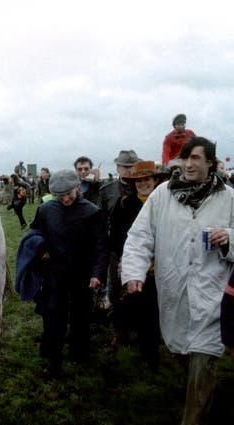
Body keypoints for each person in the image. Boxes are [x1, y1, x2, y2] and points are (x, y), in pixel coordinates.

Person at [122, 136, 234, 424]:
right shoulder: (163, 195)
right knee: (181, 349)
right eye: (185, 158)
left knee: (204, 354)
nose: (189, 163)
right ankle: (207, 394)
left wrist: (229, 239)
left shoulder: (229, 198)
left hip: (212, 292)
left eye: (196, 158)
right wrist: (134, 272)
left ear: (211, 162)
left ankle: (193, 417)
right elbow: (139, 236)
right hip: (173, 289)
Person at [29, 170, 107, 378]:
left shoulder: (92, 212)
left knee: (81, 315)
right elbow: (35, 232)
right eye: (59, 195)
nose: (65, 199)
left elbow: (101, 246)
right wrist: (41, 247)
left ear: (77, 187)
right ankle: (53, 359)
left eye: (69, 194)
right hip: (55, 273)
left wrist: (97, 274)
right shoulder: (45, 209)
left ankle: (80, 353)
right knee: (54, 315)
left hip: (82, 272)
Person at [109, 161, 168, 370]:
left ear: (155, 181)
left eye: (147, 180)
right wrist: (123, 260)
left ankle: (156, 351)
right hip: (136, 268)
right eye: (139, 181)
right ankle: (146, 353)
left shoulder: (166, 204)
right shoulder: (124, 204)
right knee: (142, 311)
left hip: (163, 267)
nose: (142, 184)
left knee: (157, 312)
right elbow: (115, 236)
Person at [97, 149, 140, 310]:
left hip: (143, 245)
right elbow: (100, 221)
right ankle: (119, 329)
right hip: (116, 245)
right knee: (116, 287)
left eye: (132, 166)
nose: (129, 170)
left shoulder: (145, 186)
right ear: (117, 168)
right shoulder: (107, 191)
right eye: (125, 166)